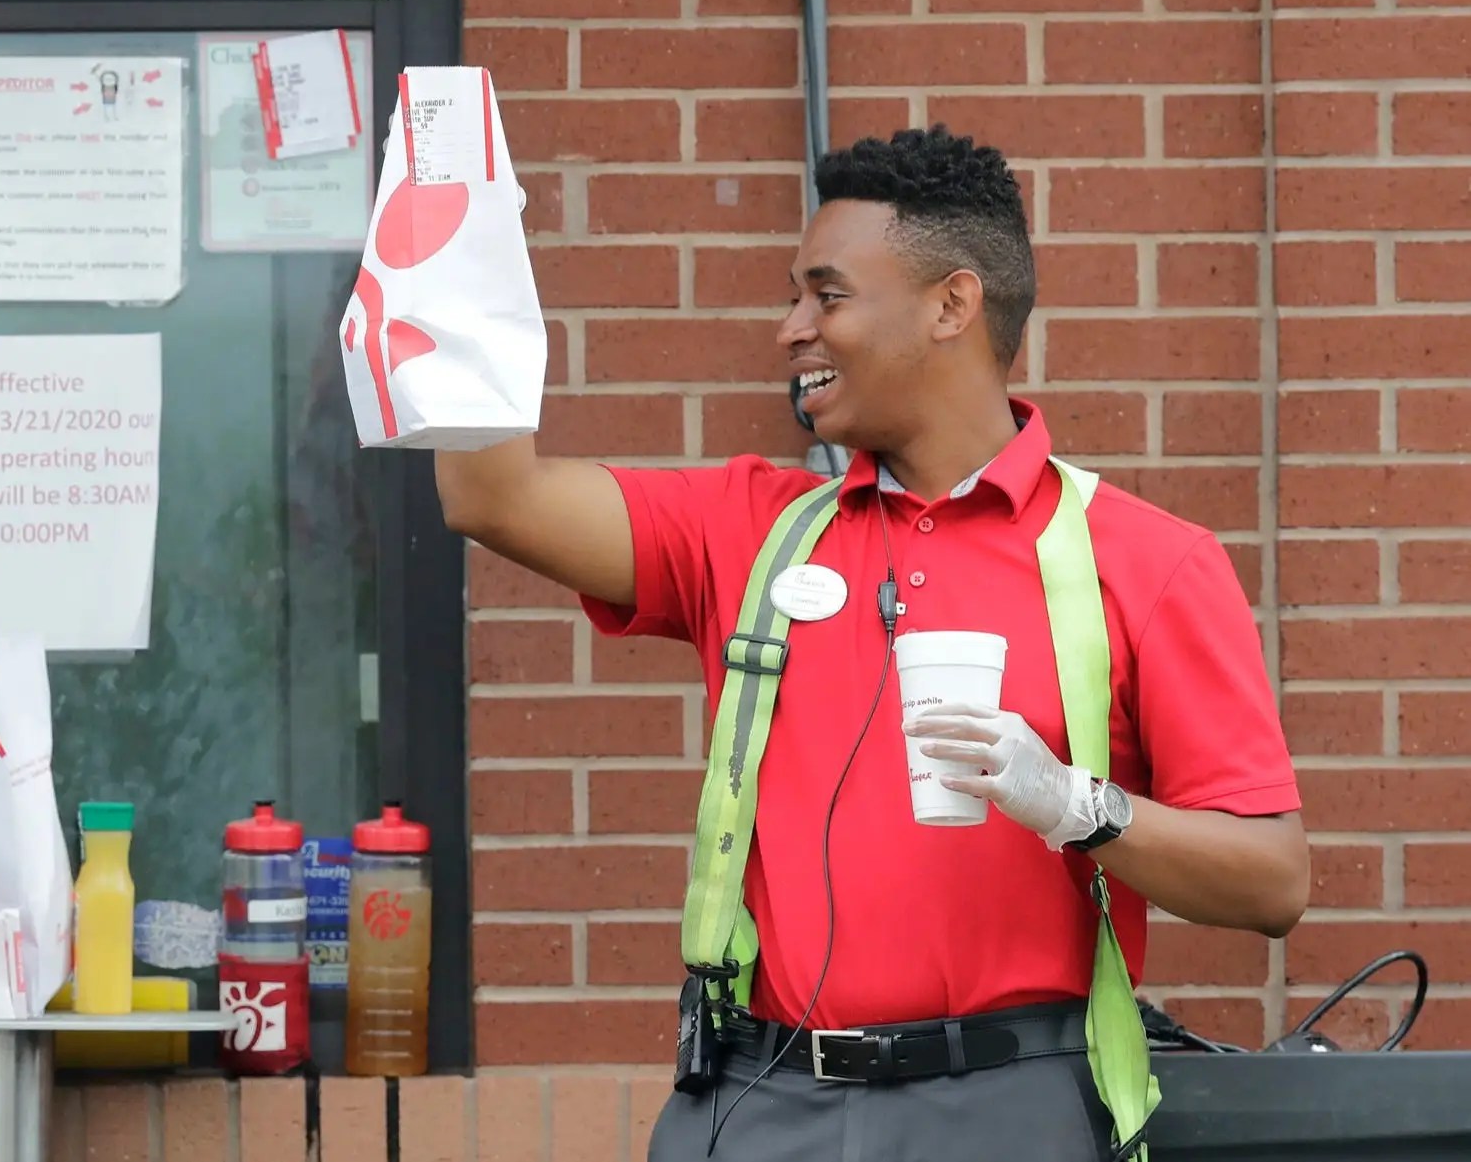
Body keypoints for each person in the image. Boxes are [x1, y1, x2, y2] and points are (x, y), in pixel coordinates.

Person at [434, 127, 1307, 1162]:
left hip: (1013, 1111)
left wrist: (1078, 806)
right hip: (758, 1105)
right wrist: (459, 249)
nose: (790, 328)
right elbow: (491, 494)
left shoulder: (1150, 562)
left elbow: (1270, 883)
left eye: (827, 296)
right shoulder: (748, 528)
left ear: (950, 306)